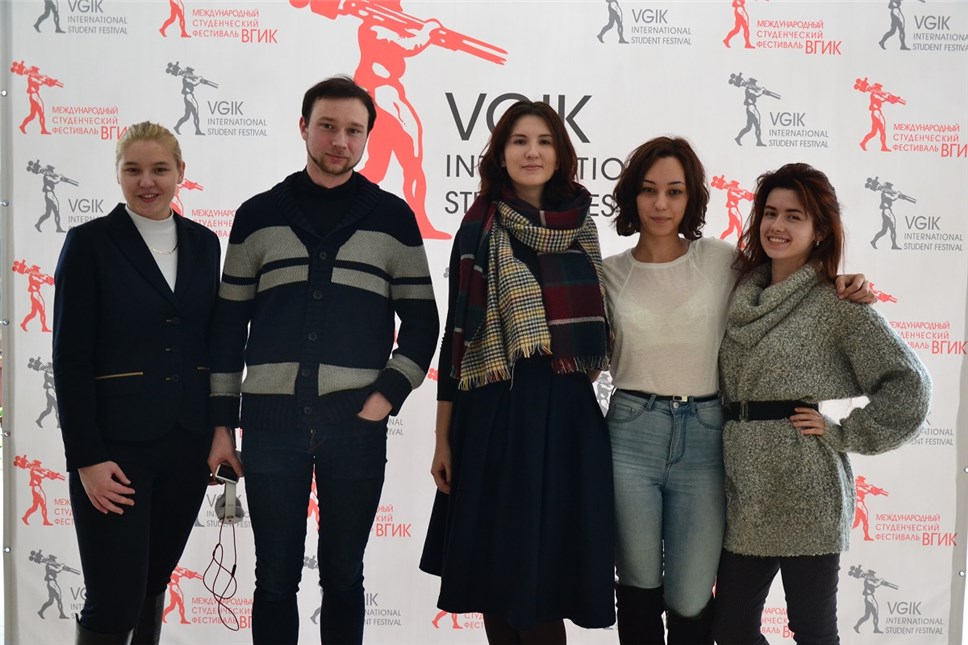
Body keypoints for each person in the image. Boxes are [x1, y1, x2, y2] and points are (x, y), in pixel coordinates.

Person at [603, 138, 874, 645]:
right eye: (648, 190)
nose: (660, 203)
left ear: (691, 198)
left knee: (691, 597)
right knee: (637, 584)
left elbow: (788, 281)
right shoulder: (609, 273)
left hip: (706, 434)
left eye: (674, 191)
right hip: (631, 433)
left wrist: (842, 281)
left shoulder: (722, 261)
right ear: (631, 196)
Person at [206, 75, 439, 645]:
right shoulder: (257, 216)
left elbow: (424, 324)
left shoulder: (392, 218)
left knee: (343, 577)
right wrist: (221, 427)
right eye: (328, 126)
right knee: (274, 580)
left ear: (367, 139)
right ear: (304, 127)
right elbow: (228, 329)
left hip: (355, 430)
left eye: (353, 131)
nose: (340, 141)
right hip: (270, 428)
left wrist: (385, 396)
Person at [420, 99, 615, 644]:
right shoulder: (478, 228)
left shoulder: (583, 230)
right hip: (494, 415)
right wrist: (442, 439)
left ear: (561, 154)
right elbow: (456, 337)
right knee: (496, 574)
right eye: (520, 141)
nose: (532, 152)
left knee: (548, 580)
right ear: (501, 154)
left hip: (567, 418)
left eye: (544, 141)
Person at [712, 163, 930, 644]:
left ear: (820, 231)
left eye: (794, 216)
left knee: (812, 631)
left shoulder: (837, 303)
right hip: (744, 485)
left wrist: (845, 433)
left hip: (806, 485)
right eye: (771, 213)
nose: (777, 225)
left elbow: (909, 385)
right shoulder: (740, 293)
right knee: (730, 628)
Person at [52, 121, 221, 644]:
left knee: (151, 585)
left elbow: (212, 345)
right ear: (119, 174)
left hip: (187, 446)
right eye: (134, 170)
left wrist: (220, 430)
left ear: (180, 173)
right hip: (115, 454)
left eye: (159, 169)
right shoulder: (89, 243)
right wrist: (87, 458)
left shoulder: (205, 244)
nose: (147, 182)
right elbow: (70, 359)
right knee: (114, 598)